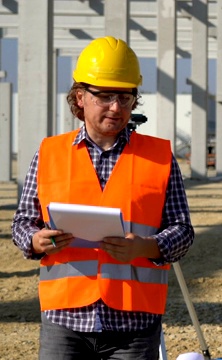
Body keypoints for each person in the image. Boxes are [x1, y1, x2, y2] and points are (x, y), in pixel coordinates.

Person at [11, 36, 195, 360]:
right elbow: (23, 222)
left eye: (126, 97)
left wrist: (146, 247)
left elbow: (183, 231)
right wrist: (35, 240)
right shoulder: (49, 153)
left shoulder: (160, 156)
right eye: (106, 96)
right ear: (80, 96)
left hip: (134, 324)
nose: (116, 107)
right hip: (65, 320)